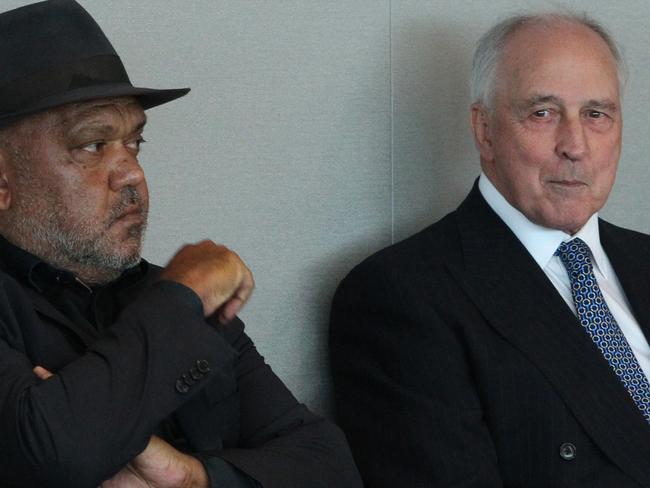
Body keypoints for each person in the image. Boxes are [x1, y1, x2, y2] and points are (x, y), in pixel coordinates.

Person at [0, 1, 362, 487]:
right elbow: (52, 451)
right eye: (92, 144)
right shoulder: (182, 296)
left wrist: (195, 479)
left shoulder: (167, 292)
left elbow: (331, 466)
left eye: (135, 143)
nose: (132, 173)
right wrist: (182, 296)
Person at [330, 11, 650, 488]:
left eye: (596, 114)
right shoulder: (402, 297)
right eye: (543, 113)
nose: (576, 145)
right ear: (484, 130)